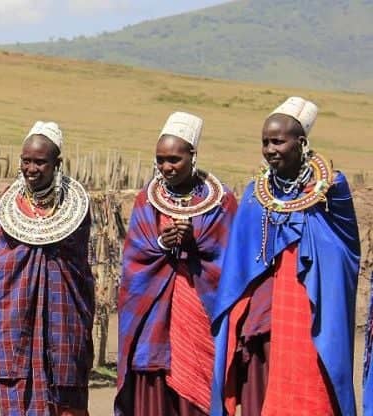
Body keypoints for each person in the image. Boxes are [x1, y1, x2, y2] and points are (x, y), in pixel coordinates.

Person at [211, 97, 360, 415]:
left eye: (277, 141)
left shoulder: (331, 190)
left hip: (308, 316)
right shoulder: (255, 192)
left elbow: (343, 254)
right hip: (261, 322)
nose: (269, 149)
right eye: (265, 142)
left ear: (301, 142)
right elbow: (240, 262)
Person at [114, 112, 237, 416]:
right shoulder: (147, 202)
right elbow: (133, 261)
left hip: (199, 314)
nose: (166, 167)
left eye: (174, 159)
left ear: (193, 156)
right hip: (154, 322)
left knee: (199, 392)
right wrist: (161, 245)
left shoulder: (222, 202)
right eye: (160, 160)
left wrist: (195, 243)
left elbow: (231, 262)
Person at [0, 121, 94, 416]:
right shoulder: (3, 211)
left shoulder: (76, 208)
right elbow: (0, 264)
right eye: (26, 161)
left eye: (40, 162)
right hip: (18, 323)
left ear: (57, 164)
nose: (31, 169)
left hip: (64, 322)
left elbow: (75, 267)